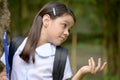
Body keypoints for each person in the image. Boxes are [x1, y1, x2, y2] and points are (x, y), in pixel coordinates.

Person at [0, 1, 107, 80]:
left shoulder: (60, 57)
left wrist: (82, 72)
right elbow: (6, 72)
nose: (67, 33)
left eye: (69, 29)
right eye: (64, 25)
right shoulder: (16, 44)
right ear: (46, 20)